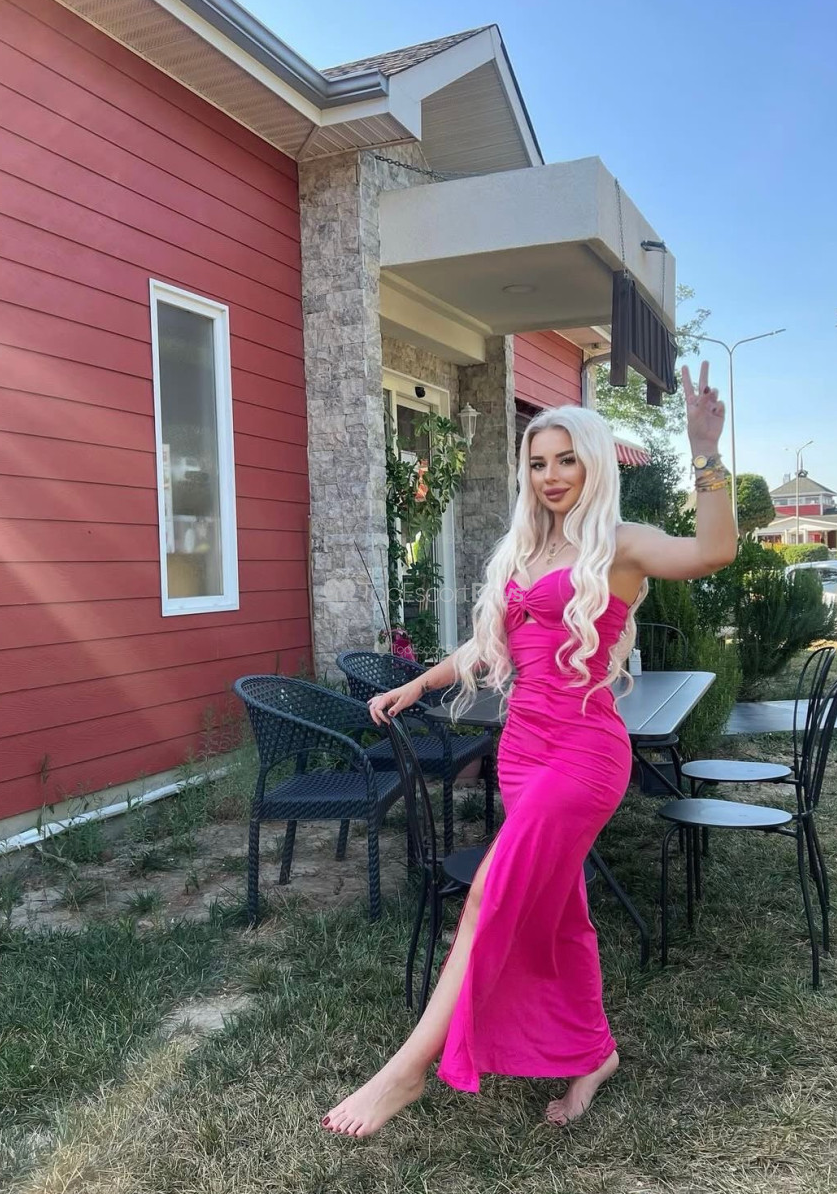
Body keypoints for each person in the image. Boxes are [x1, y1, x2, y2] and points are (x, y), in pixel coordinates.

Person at [322, 362, 738, 1138]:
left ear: (593, 463)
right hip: (522, 750)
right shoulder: (525, 548)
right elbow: (487, 645)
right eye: (538, 462)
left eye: (566, 460)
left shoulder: (620, 545)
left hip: (583, 756)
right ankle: (593, 1054)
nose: (550, 476)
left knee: (488, 892)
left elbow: (713, 550)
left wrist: (705, 449)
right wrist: (419, 683)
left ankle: (405, 1072)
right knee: (561, 911)